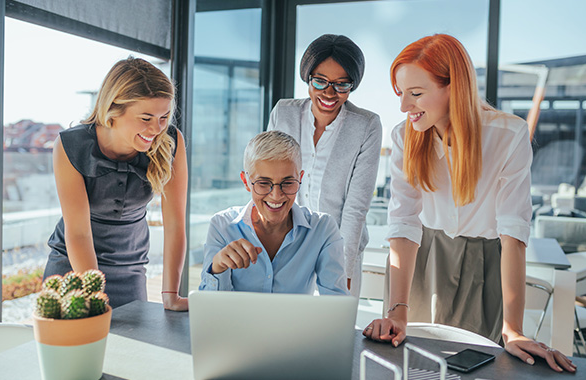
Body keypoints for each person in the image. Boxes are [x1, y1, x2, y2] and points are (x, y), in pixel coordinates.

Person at [363, 34, 576, 373]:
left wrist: (514, 329)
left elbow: (512, 234)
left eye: (416, 94)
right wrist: (397, 310)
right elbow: (404, 223)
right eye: (400, 94)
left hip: (485, 257)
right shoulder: (404, 137)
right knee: (413, 365)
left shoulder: (508, 135)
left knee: (472, 367)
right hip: (422, 255)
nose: (404, 107)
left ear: (454, 87)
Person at [44, 57, 188, 311]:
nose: (157, 129)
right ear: (113, 110)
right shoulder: (71, 146)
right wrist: (95, 297)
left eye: (164, 117)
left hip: (131, 268)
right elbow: (78, 232)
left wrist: (171, 294)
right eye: (146, 118)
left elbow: (175, 224)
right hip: (73, 267)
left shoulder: (171, 142)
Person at [268, 34, 382, 297]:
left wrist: (343, 271)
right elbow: (267, 178)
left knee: (332, 332)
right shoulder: (283, 113)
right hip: (286, 244)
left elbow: (356, 207)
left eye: (342, 85)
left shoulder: (366, 126)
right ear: (307, 77)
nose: (329, 93)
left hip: (339, 246)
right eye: (320, 81)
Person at [199, 130, 348, 295]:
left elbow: (336, 301)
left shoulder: (323, 229)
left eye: (288, 182)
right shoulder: (222, 226)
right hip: (237, 322)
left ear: (300, 179)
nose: (276, 195)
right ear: (246, 182)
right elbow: (211, 309)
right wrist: (218, 266)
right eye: (263, 183)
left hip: (297, 322)